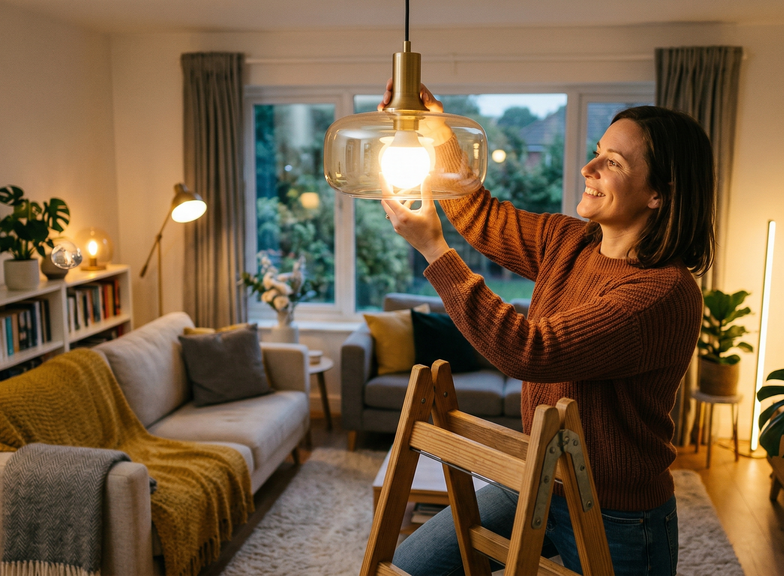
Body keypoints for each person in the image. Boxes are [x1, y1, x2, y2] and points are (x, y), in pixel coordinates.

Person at [378, 82, 715, 576]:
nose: (588, 168)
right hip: (539, 479)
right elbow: (481, 213)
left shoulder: (662, 295)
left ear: (660, 195)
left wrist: (435, 251)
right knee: (409, 566)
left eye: (613, 163)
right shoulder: (571, 241)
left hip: (616, 513)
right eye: (597, 153)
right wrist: (436, 128)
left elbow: (529, 350)